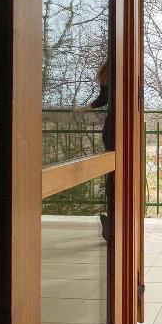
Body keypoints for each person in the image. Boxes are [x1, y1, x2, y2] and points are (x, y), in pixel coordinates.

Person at [75, 62, 113, 241]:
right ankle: (113, 220)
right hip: (118, 129)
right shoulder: (120, 70)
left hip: (111, 129)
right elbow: (103, 99)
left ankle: (112, 219)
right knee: (118, 174)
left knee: (112, 173)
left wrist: (84, 108)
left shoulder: (109, 71)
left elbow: (102, 99)